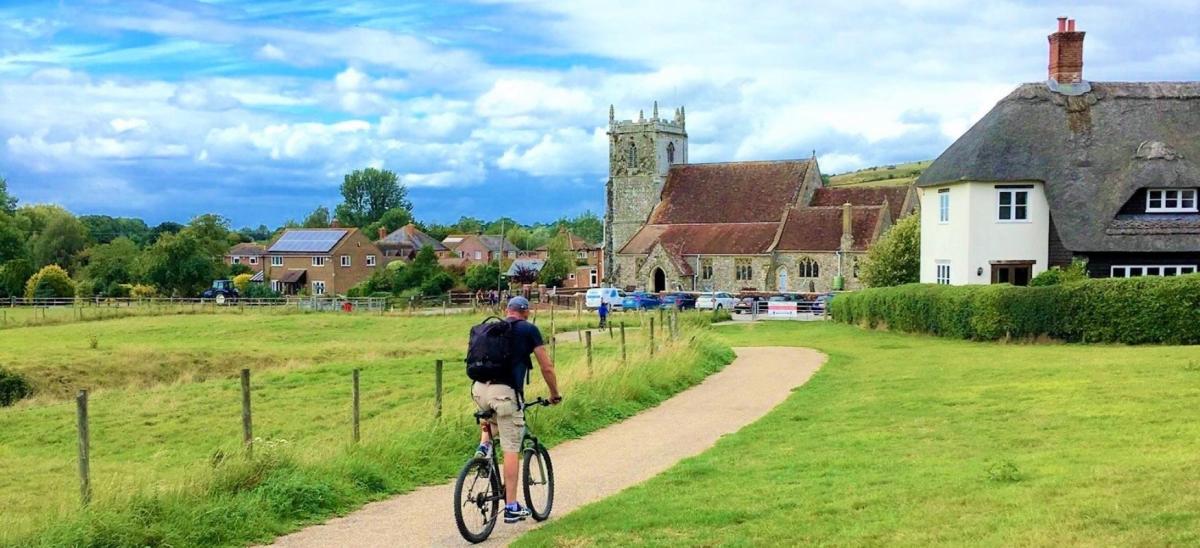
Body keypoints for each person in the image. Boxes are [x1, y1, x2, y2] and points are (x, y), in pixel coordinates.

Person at [472, 296, 562, 523]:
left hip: (479, 390)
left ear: (506, 310)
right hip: (504, 393)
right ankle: (511, 506)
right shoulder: (528, 330)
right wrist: (554, 394)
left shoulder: (493, 328)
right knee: (511, 446)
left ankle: (483, 446)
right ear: (527, 312)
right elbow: (546, 367)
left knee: (490, 416)